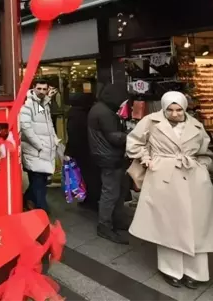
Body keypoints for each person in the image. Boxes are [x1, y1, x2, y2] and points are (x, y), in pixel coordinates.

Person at [127, 91, 213, 289]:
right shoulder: (150, 121)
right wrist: (145, 157)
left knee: (197, 225)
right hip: (163, 178)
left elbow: (205, 152)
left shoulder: (196, 125)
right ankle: (171, 269)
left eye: (179, 109)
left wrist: (203, 166)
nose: (175, 114)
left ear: (185, 108)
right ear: (164, 108)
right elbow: (134, 142)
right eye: (170, 110)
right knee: (168, 224)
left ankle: (196, 272)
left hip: (194, 179)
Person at [87, 83, 129, 244]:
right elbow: (114, 137)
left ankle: (116, 220)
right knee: (111, 193)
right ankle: (105, 225)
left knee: (116, 190)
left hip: (105, 155)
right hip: (109, 157)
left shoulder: (100, 108)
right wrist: (131, 135)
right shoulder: (105, 112)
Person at [19, 79, 60, 213]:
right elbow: (25, 126)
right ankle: (43, 211)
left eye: (44, 89)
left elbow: (48, 124)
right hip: (35, 150)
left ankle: (26, 201)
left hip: (43, 150)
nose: (42, 91)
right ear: (33, 88)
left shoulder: (42, 103)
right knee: (38, 183)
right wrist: (39, 144)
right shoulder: (28, 103)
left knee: (40, 182)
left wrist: (54, 139)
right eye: (39, 89)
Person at [66, 93, 99, 210]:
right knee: (91, 175)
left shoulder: (74, 114)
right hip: (88, 148)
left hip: (81, 149)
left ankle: (90, 198)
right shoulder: (87, 113)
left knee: (85, 175)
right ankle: (92, 198)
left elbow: (73, 134)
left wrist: (69, 150)